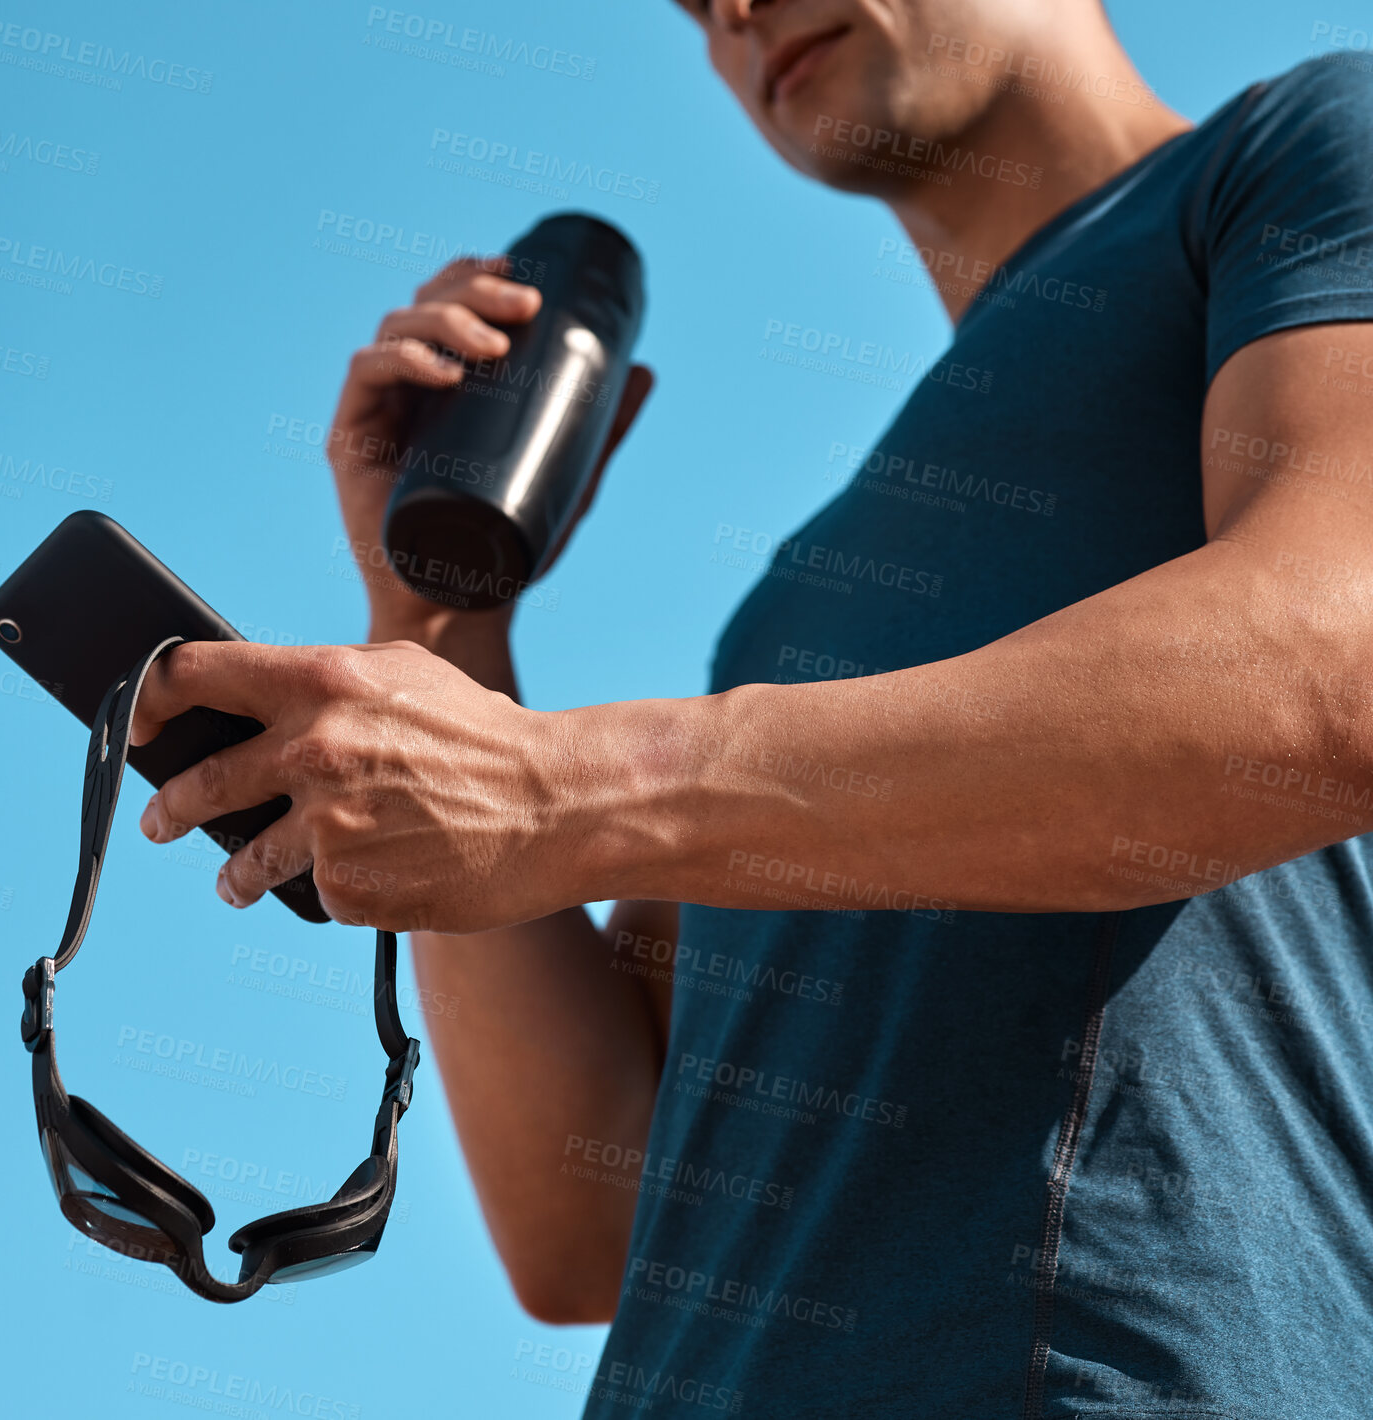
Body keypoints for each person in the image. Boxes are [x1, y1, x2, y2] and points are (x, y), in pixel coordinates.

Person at [132, 0, 1373, 1413]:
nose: (725, 8)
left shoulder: (1312, 142)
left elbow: (1332, 672)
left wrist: (569, 787)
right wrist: (442, 631)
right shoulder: (798, 609)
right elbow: (590, 1222)